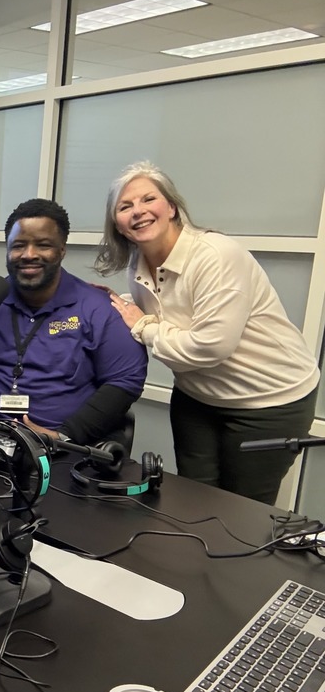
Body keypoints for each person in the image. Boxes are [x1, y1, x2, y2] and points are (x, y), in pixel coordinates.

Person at [96, 161, 320, 505]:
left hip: (269, 401)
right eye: (125, 207)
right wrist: (112, 304)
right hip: (197, 399)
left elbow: (209, 347)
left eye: (148, 199)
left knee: (245, 513)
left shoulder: (217, 256)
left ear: (171, 207)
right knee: (196, 502)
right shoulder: (139, 263)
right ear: (119, 225)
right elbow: (168, 307)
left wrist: (142, 325)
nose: (138, 211)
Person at [0, 198, 148, 447]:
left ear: (62, 249)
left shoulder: (98, 308)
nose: (29, 255)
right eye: (18, 245)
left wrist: (63, 437)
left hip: (59, 450)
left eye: (43, 245)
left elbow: (125, 379)